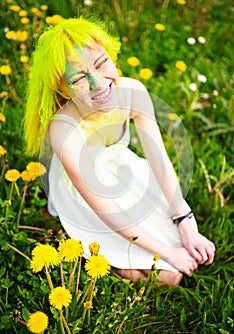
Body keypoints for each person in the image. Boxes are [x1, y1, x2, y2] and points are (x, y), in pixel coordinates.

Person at [24, 17, 215, 286]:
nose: (98, 82)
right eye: (78, 78)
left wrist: (184, 219)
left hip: (120, 169)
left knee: (180, 236)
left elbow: (158, 159)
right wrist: (169, 253)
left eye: (101, 63)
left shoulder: (134, 92)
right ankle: (90, 253)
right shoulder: (64, 132)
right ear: (62, 89)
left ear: (112, 55)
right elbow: (108, 211)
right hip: (84, 195)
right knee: (170, 276)